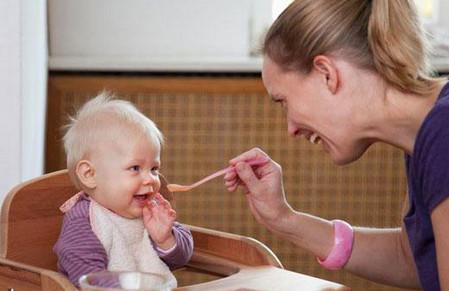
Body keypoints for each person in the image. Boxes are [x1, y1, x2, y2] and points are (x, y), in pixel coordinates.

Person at [224, 1, 448, 290]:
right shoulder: (424, 136)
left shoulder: (443, 133)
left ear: (326, 73)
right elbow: (414, 259)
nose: (290, 128)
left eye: (283, 102)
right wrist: (284, 219)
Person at [54, 93, 193, 288]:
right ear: (90, 174)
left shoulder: (150, 209)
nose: (151, 179)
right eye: (135, 168)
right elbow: (87, 277)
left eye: (154, 169)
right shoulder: (85, 220)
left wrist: (165, 239)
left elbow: (181, 258)